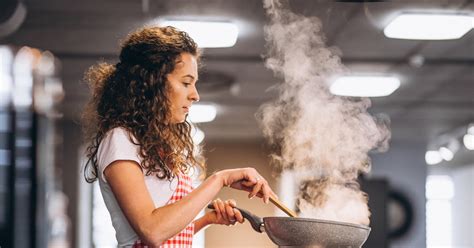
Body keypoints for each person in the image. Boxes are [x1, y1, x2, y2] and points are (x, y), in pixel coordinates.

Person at [82, 26, 276, 247]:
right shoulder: (120, 140)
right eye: (186, 83)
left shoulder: (151, 145)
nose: (195, 95)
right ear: (152, 82)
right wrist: (220, 179)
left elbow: (165, 235)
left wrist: (206, 220)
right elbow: (152, 231)